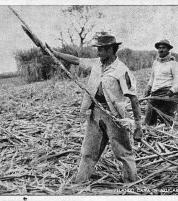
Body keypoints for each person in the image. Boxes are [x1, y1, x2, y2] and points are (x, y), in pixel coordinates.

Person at [43, 33, 143, 183]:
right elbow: (76, 60)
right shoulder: (97, 63)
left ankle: (131, 183)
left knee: (123, 153)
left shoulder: (122, 71)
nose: (98, 51)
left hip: (115, 116)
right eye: (98, 48)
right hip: (96, 113)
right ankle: (80, 182)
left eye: (101, 49)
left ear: (111, 49)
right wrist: (53, 53)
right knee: (88, 151)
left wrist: (138, 125)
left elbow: (133, 99)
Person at [144, 39, 178, 126]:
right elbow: (152, 77)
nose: (160, 50)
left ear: (168, 49)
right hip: (154, 93)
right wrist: (148, 87)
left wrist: (171, 91)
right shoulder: (155, 63)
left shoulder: (173, 64)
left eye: (163, 48)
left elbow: (177, 80)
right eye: (159, 48)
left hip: (166, 93)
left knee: (167, 120)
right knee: (149, 120)